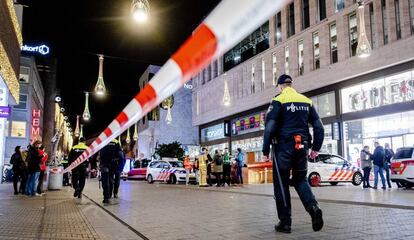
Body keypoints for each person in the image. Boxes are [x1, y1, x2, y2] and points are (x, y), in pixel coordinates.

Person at [262, 74, 324, 233]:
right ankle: (313, 208)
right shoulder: (306, 100)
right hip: (302, 147)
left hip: (283, 147)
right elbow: (319, 126)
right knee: (300, 180)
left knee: (281, 184)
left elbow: (270, 126)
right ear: (291, 84)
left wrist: (265, 150)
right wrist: (316, 148)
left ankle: (285, 223)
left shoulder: (278, 100)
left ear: (280, 86)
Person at [99, 138, 124, 204]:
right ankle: (110, 195)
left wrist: (100, 163)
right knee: (110, 180)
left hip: (104, 164)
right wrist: (121, 166)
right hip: (113, 164)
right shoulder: (116, 142)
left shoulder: (103, 141)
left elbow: (100, 153)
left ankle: (106, 197)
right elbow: (121, 155)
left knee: (105, 181)